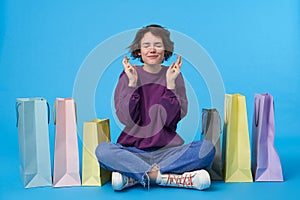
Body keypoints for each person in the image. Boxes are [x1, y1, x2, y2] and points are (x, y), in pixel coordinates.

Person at [95, 24, 215, 191]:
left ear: (165, 50)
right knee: (103, 151)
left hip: (167, 152)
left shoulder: (174, 75)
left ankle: (136, 177)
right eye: (146, 45)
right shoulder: (128, 75)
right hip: (133, 152)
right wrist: (132, 84)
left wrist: (171, 85)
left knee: (206, 149)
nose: (152, 49)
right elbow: (127, 119)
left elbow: (171, 120)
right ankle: (169, 178)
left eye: (157, 45)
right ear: (139, 51)